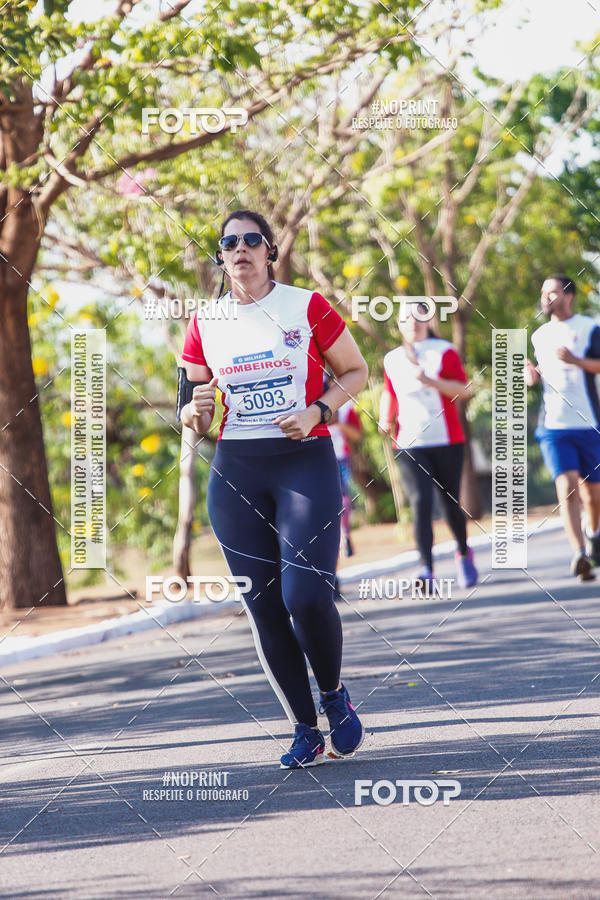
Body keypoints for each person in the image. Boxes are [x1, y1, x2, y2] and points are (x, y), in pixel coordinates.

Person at [179, 209, 368, 768]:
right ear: (221, 256)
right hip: (237, 472)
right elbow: (189, 405)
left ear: (270, 252)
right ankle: (303, 728)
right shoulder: (204, 320)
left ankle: (333, 694)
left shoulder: (305, 306)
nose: (241, 249)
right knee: (263, 607)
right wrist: (196, 410)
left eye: (251, 240)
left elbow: (356, 372)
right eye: (229, 242)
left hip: (303, 462)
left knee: (305, 596)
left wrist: (318, 410)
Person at [378, 301, 478, 589]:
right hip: (409, 442)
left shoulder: (443, 350)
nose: (413, 322)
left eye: (419, 317)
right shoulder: (392, 359)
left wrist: (430, 381)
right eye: (406, 318)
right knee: (420, 502)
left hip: (446, 439)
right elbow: (389, 392)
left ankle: (463, 552)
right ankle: (426, 568)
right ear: (398, 323)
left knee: (449, 504)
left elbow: (464, 390)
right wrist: (386, 418)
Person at [526, 274, 600, 581]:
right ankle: (579, 554)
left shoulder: (588, 327)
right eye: (543, 293)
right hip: (553, 425)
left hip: (588, 424)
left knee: (593, 496)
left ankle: (593, 533)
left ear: (568, 296)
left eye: (553, 292)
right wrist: (532, 375)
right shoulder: (539, 335)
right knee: (566, 486)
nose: (546, 298)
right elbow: (542, 371)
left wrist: (576, 360)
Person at [325, 373, 362, 558]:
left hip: (340, 457)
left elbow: (356, 435)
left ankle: (344, 535)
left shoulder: (346, 407)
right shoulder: (305, 403)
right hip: (316, 458)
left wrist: (339, 422)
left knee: (343, 498)